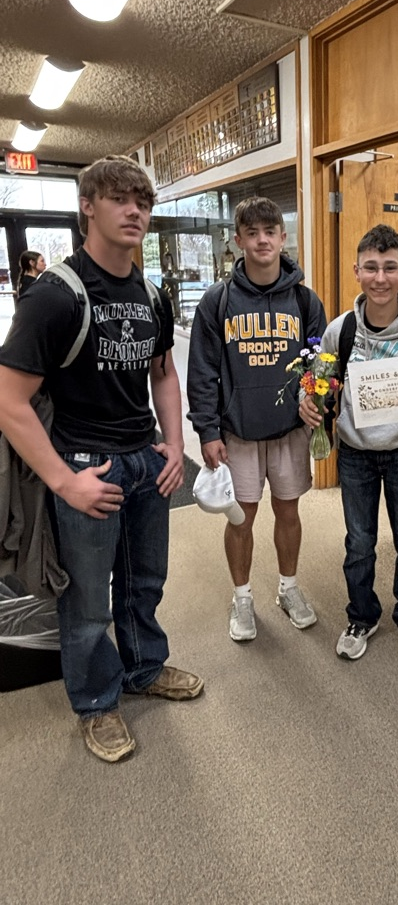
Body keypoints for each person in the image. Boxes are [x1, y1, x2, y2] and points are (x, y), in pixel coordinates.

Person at [0, 155, 203, 764]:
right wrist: (65, 483)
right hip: (86, 465)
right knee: (87, 599)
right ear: (88, 206)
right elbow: (10, 401)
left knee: (146, 581)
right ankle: (95, 702)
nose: (134, 210)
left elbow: (163, 372)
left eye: (141, 200)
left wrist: (174, 444)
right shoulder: (55, 295)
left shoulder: (150, 292)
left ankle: (144, 668)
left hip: (146, 459)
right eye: (119, 198)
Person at [301, 224, 398, 666]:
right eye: (371, 267)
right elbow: (319, 385)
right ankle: (362, 615)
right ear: (357, 271)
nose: (380, 278)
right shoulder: (341, 330)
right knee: (359, 543)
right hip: (355, 456)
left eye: (390, 268)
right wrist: (310, 402)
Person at [187, 196, 327, 642]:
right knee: (240, 519)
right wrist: (208, 431)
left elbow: (320, 367)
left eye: (271, 231)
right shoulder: (218, 301)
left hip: (289, 432)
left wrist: (317, 405)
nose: (262, 239)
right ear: (238, 240)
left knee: (289, 511)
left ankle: (288, 588)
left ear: (284, 238)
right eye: (252, 232)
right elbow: (203, 372)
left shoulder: (305, 300)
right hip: (238, 434)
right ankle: (242, 596)